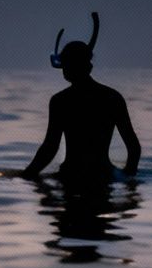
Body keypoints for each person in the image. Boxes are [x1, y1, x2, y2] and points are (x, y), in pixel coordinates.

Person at [20, 37, 140, 182]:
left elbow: (50, 147)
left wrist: (28, 174)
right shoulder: (113, 98)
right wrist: (128, 178)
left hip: (70, 175)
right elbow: (133, 146)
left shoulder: (61, 101)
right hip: (104, 175)